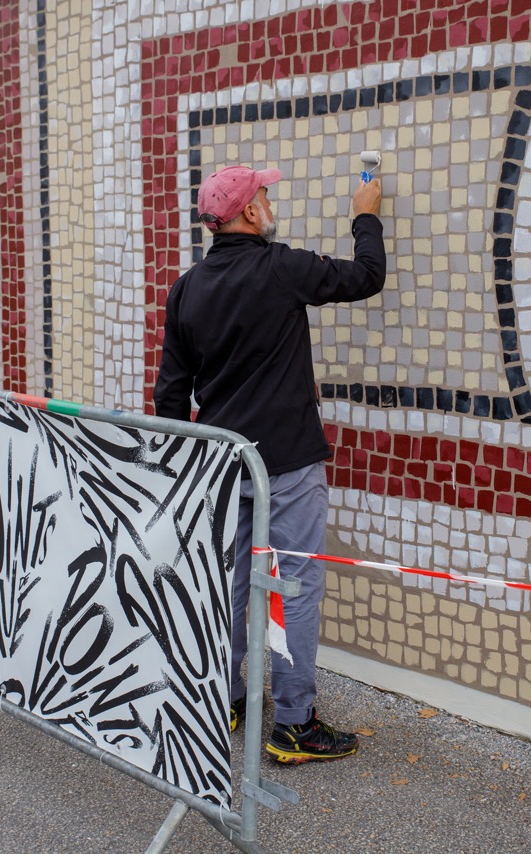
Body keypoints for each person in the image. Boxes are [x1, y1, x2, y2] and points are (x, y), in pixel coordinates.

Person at [153, 164, 386, 763]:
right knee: (295, 585)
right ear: (251, 213)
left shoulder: (187, 289)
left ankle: (227, 700)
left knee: (230, 586)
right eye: (264, 194)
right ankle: (293, 724)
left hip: (224, 467)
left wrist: (188, 471)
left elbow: (170, 396)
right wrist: (365, 215)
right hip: (288, 464)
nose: (269, 202)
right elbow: (366, 277)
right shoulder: (281, 268)